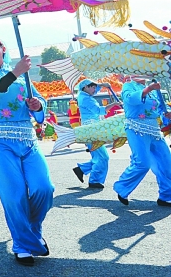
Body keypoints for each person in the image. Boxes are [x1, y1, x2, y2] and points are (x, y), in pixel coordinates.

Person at [0, 35, 54, 266]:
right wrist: (16, 72)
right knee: (14, 195)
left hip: (26, 137)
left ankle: (31, 233)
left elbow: (37, 100)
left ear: (2, 48)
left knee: (44, 189)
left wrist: (37, 106)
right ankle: (23, 244)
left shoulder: (21, 72)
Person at [113, 76, 171, 207]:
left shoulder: (154, 90)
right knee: (142, 163)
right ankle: (122, 187)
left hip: (154, 130)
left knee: (167, 163)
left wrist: (166, 114)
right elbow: (130, 99)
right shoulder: (128, 85)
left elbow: (156, 110)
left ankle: (166, 196)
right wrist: (148, 88)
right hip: (136, 127)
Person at [72, 79, 116, 189]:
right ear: (85, 87)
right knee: (103, 157)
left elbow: (94, 91)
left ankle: (82, 169)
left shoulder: (84, 95)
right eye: (92, 87)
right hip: (92, 131)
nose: (95, 89)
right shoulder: (86, 99)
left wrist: (102, 85)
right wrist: (114, 104)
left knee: (98, 156)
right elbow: (99, 110)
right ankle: (94, 180)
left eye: (95, 87)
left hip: (92, 130)